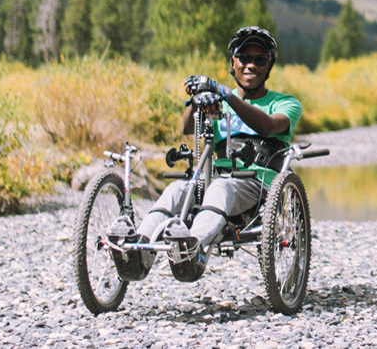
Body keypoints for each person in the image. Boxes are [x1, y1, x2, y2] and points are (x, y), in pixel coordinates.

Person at [112, 26, 303, 283]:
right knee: (176, 191)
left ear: (269, 66)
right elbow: (187, 128)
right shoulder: (219, 100)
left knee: (220, 189)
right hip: (215, 179)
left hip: (258, 185)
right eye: (244, 58)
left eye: (260, 60)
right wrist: (199, 100)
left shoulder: (286, 103)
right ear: (233, 63)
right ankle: (138, 252)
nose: (251, 65)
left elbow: (268, 126)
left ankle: (194, 250)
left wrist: (225, 93)